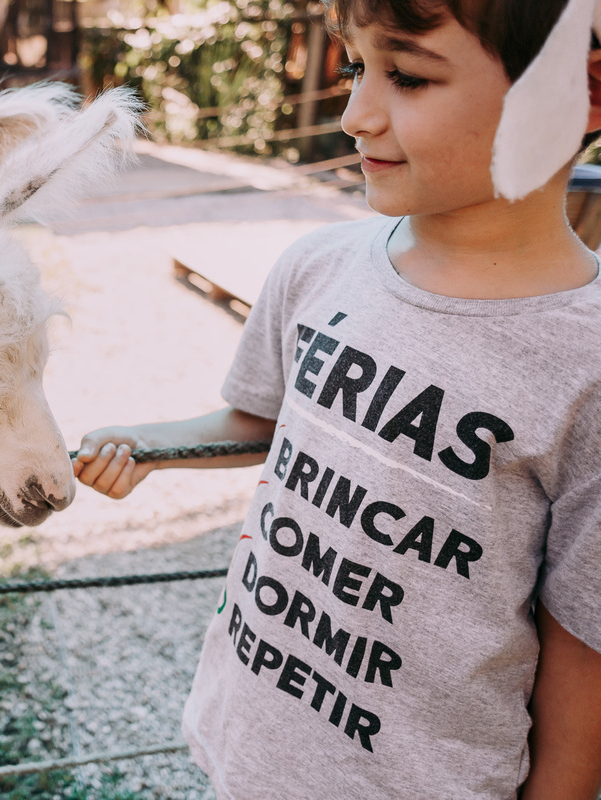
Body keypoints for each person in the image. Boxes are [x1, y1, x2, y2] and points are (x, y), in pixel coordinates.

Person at [73, 1, 601, 797]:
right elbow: (270, 421)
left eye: (408, 76)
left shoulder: (586, 364)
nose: (356, 114)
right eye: (356, 66)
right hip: (247, 751)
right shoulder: (317, 266)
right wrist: (151, 446)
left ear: (581, 93)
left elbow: (584, 653)